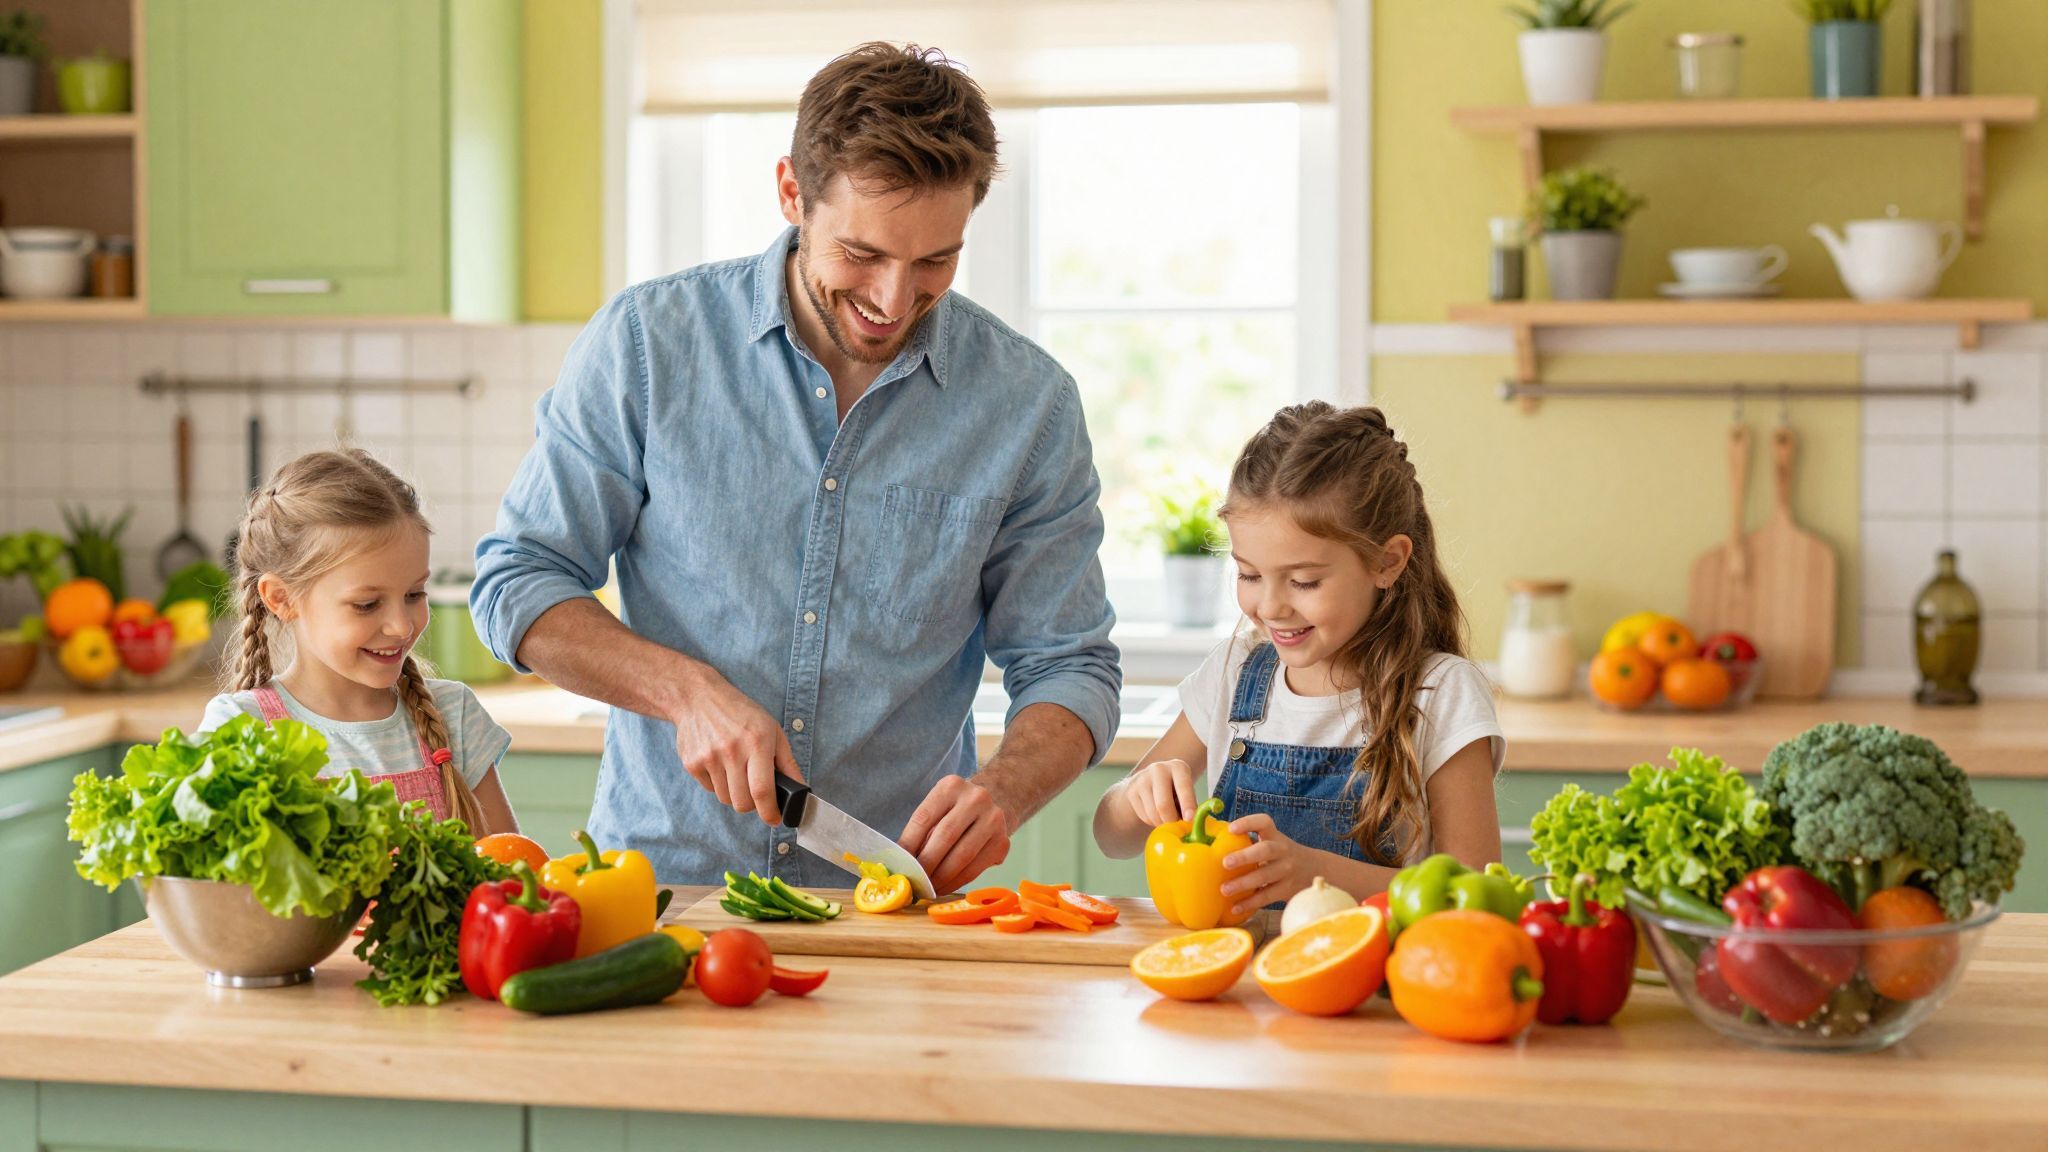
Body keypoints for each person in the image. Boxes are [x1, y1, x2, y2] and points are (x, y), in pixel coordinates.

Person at [471, 43, 1119, 890]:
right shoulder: (646, 346)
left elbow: (1071, 662)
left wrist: (1002, 792)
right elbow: (517, 583)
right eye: (863, 254)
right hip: (663, 890)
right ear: (791, 194)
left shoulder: (1027, 404)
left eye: (935, 261)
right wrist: (685, 691)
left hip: (890, 904)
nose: (894, 301)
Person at [1093, 403, 1503, 916]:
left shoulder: (1441, 693)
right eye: (1248, 575)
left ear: (1387, 561)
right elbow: (1111, 836)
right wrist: (1136, 795)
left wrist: (1316, 873)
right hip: (1237, 982)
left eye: (1304, 581)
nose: (1270, 607)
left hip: (1374, 986)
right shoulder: (1234, 672)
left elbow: (1475, 897)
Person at [200, 449, 519, 836]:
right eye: (366, 605)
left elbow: (510, 876)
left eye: (415, 594)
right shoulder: (242, 729)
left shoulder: (455, 715)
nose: (401, 626)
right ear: (282, 599)